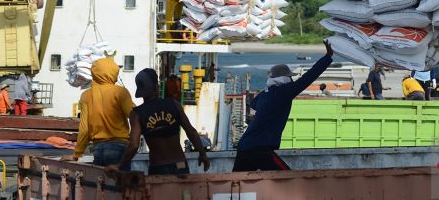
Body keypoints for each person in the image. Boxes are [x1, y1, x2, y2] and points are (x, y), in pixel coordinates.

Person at [232, 40, 334, 172]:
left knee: (237, 185)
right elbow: (308, 77)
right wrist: (328, 57)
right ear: (286, 79)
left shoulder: (264, 95)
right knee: (286, 180)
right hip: (260, 149)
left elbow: (254, 103)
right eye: (290, 77)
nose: (292, 80)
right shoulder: (284, 92)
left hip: (244, 147)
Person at [106, 68, 209, 175]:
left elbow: (134, 145)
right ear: (156, 86)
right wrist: (202, 154)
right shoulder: (173, 104)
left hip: (158, 168)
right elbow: (191, 131)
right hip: (180, 165)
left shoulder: (137, 114)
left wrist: (119, 166)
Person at [71, 58, 134, 166]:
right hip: (119, 147)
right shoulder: (120, 92)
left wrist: (77, 153)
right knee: (120, 182)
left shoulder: (86, 95)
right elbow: (134, 115)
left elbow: (84, 128)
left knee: (102, 181)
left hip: (98, 148)